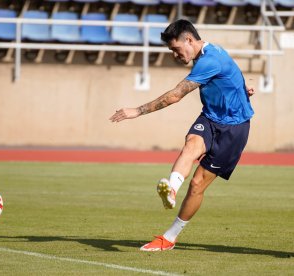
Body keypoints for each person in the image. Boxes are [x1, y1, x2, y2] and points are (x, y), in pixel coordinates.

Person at [109, 19, 255, 251]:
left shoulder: (210, 59)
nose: (175, 55)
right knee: (191, 145)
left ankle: (170, 237)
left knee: (197, 184)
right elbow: (231, 70)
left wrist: (137, 111)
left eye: (176, 49)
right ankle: (172, 189)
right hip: (209, 118)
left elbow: (175, 95)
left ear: (189, 39)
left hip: (234, 129)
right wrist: (242, 87)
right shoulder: (210, 53)